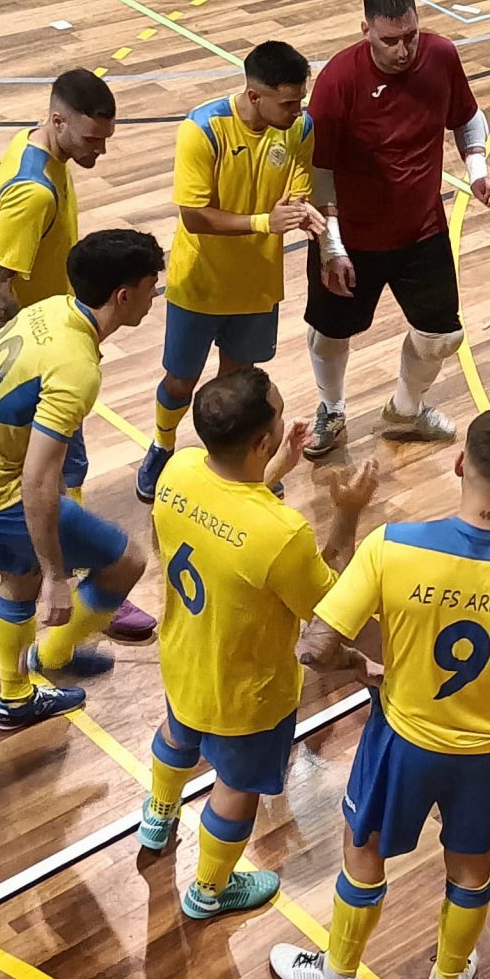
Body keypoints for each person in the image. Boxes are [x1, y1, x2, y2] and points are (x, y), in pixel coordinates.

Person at [268, 407, 490, 979]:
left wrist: (359, 664)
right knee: (471, 867)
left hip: (403, 743)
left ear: (457, 464)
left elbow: (314, 648)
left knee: (364, 850)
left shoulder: (392, 547)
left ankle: (338, 978)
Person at [142, 367, 377, 923]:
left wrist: (273, 470)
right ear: (260, 441)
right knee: (237, 787)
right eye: (278, 413)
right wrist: (347, 515)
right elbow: (332, 615)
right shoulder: (282, 534)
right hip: (248, 694)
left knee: (177, 735)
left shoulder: (177, 470)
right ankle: (209, 890)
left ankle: (158, 816)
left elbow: (225, 510)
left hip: (183, 658)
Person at [0, 229, 163, 732]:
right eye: (150, 286)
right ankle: (53, 657)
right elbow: (37, 479)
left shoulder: (51, 309)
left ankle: (17, 695)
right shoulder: (76, 368)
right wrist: (59, 577)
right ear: (124, 296)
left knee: (20, 576)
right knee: (125, 563)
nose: (155, 295)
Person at [0, 65, 153, 643]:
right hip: (46, 357)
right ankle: (73, 583)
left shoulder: (36, 150)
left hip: (49, 342)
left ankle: (65, 573)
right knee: (57, 469)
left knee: (64, 469)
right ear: (58, 120)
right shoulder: (34, 191)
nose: (100, 151)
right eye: (92, 139)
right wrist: (33, 353)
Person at [302, 0, 490, 459]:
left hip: (421, 230)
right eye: (389, 40)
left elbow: (467, 116)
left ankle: (405, 412)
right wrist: (331, 247)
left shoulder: (441, 55)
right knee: (331, 333)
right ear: (365, 31)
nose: (403, 50)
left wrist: (477, 169)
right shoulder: (338, 80)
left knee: (443, 336)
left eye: (410, 35)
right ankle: (332, 408)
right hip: (351, 239)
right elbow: (318, 171)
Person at [136, 40, 320, 504]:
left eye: (300, 100)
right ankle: (162, 446)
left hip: (256, 284)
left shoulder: (299, 128)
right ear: (255, 95)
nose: (298, 111)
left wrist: (304, 212)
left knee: (237, 383)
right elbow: (194, 215)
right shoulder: (203, 129)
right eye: (288, 102)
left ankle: (231, 463)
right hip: (200, 282)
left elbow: (297, 192)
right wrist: (264, 222)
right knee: (180, 381)